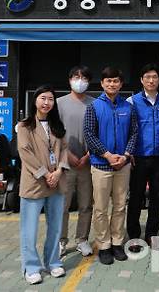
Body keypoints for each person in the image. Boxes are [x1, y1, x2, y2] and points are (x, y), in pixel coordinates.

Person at [84, 67, 138, 265]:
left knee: (120, 206)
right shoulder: (94, 106)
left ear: (121, 84)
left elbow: (134, 133)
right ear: (102, 83)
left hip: (122, 166)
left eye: (116, 81)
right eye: (108, 81)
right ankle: (104, 245)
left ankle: (117, 242)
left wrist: (125, 156)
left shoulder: (128, 107)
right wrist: (107, 155)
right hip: (101, 165)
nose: (112, 84)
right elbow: (89, 135)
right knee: (100, 208)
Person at [17, 85, 70, 285]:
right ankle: (31, 267)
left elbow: (64, 149)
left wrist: (58, 171)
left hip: (56, 182)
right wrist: (46, 174)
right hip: (35, 183)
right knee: (29, 229)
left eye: (50, 99)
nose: (46, 102)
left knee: (55, 227)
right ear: (35, 101)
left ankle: (53, 262)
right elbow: (25, 153)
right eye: (42, 98)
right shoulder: (25, 126)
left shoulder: (57, 125)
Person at [126, 63, 159, 252]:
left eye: (154, 77)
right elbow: (126, 130)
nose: (151, 80)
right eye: (147, 77)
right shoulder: (131, 101)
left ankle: (152, 235)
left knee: (157, 198)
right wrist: (129, 153)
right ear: (141, 80)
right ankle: (134, 237)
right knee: (135, 198)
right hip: (138, 158)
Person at [58, 66, 94, 258]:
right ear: (70, 79)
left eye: (84, 77)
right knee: (62, 205)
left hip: (88, 162)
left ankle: (82, 239)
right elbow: (54, 134)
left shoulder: (94, 103)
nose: (80, 80)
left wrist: (88, 155)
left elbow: (98, 132)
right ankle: (61, 241)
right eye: (76, 77)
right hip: (65, 163)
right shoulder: (59, 103)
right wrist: (68, 155)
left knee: (86, 204)